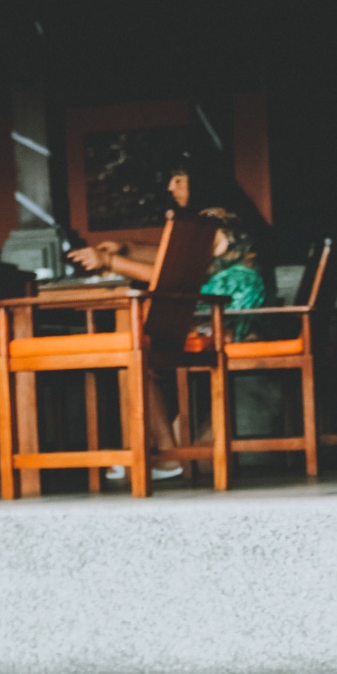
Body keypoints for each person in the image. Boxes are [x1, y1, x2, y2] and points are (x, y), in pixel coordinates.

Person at [62, 157, 272, 480]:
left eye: (179, 178)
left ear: (202, 181)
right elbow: (172, 253)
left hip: (230, 325)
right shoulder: (222, 217)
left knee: (140, 352)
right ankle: (159, 451)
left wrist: (110, 261)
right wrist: (127, 248)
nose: (170, 186)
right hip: (225, 318)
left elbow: (174, 276)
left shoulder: (212, 220)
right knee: (149, 344)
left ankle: (165, 452)